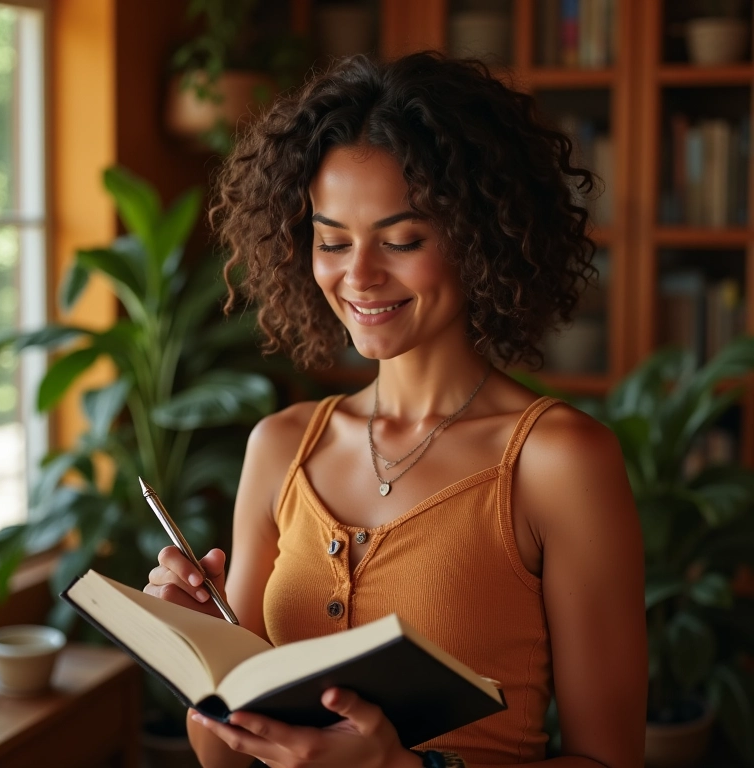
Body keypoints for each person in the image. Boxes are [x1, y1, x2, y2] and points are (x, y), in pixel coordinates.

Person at [145, 52, 647, 768]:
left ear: (480, 239)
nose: (359, 276)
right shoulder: (281, 445)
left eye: (402, 239)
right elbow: (222, 755)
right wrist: (199, 651)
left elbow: (611, 760)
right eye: (332, 240)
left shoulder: (557, 462)